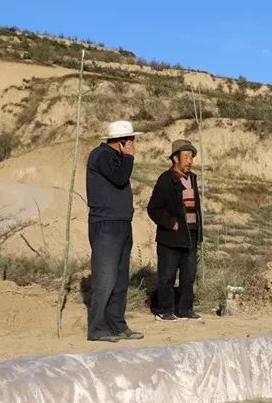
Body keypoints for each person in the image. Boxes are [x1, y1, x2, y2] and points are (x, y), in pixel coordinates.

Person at [86, 120, 145, 342]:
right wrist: (129, 156)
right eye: (131, 141)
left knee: (120, 278)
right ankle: (98, 329)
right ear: (122, 142)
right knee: (105, 277)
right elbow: (120, 178)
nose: (134, 145)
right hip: (106, 223)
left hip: (121, 221)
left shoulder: (116, 158)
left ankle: (117, 325)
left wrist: (125, 157)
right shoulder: (101, 155)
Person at [147, 139, 204, 321]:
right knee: (167, 276)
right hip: (170, 237)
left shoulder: (192, 179)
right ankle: (165, 310)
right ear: (175, 158)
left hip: (191, 235)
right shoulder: (166, 179)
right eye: (186, 156)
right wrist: (171, 223)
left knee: (189, 275)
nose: (189, 160)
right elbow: (153, 208)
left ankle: (185, 309)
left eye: (191, 157)